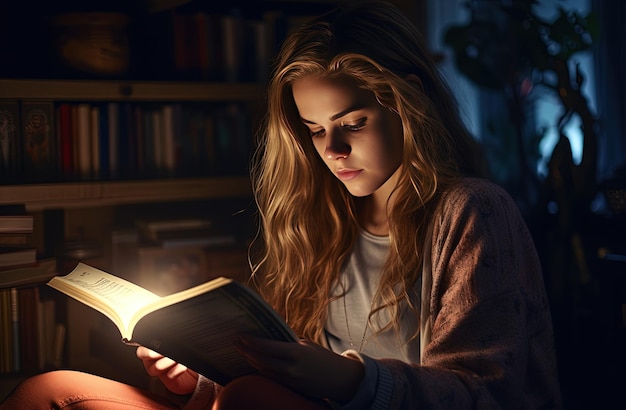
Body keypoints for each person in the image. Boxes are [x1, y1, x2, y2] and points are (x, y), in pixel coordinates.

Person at [1, 1, 562, 408]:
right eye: (315, 130)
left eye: (353, 124)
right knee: (48, 390)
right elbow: (281, 370)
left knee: (250, 402)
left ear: (407, 103)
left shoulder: (472, 211)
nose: (333, 150)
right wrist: (194, 376)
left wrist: (350, 381)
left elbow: (485, 393)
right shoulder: (324, 218)